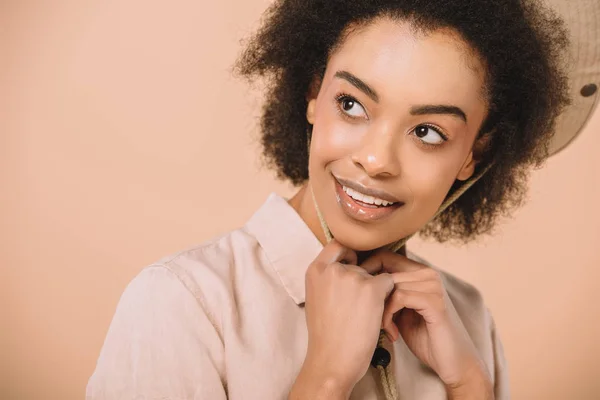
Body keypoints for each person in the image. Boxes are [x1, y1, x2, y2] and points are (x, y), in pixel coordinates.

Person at [86, 0, 599, 399]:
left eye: (427, 131)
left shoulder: (467, 318)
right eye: (351, 104)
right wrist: (325, 380)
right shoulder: (183, 305)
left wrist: (469, 387)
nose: (376, 160)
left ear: (473, 154)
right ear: (314, 94)